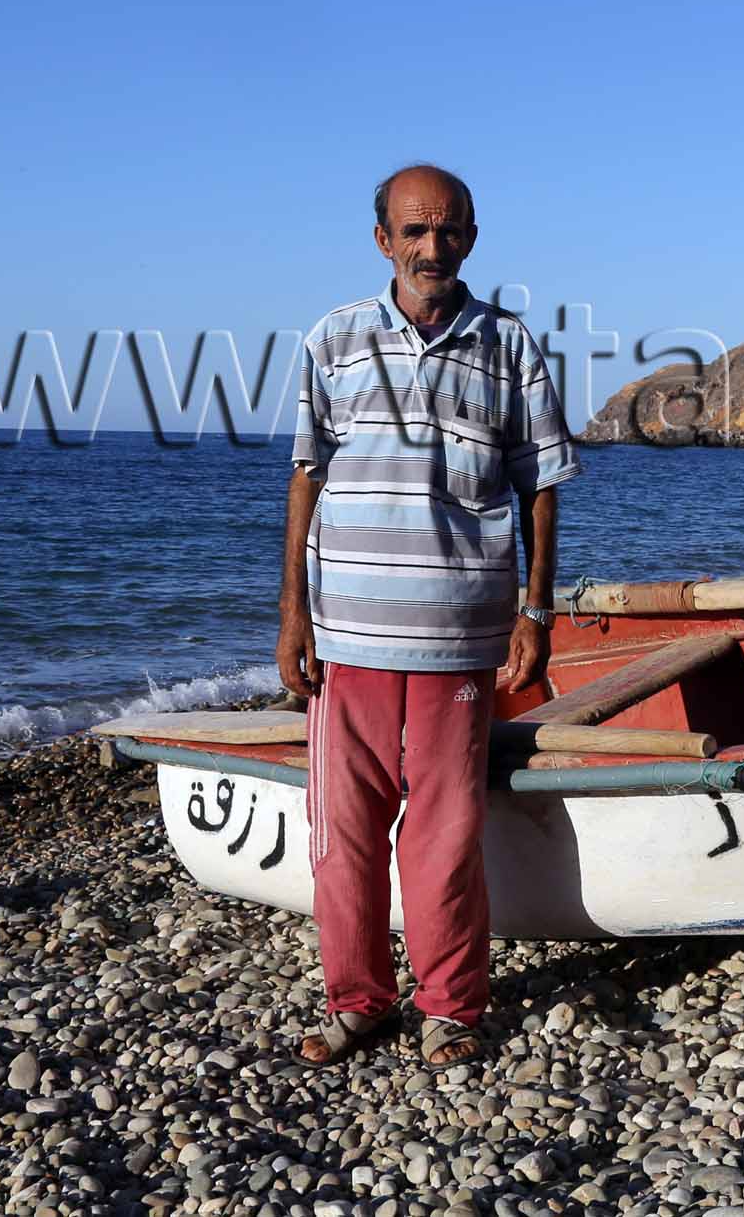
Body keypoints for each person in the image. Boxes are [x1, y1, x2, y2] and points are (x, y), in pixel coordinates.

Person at [274, 164, 578, 1067]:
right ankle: (358, 1000)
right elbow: (306, 474)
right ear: (383, 241)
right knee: (343, 836)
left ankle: (450, 1006)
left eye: (448, 231)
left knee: (445, 836)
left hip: (459, 631)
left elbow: (542, 488)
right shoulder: (332, 338)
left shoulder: (512, 345)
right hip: (346, 634)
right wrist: (292, 613)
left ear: (472, 237)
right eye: (414, 231)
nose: (431, 247)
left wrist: (536, 609)